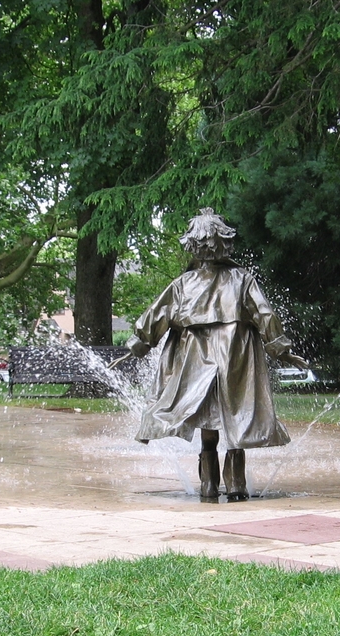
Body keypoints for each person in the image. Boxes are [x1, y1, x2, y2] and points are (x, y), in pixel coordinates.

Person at [125, 208, 309, 499]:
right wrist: (280, 348)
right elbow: (264, 314)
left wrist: (138, 344)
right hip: (235, 356)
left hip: (196, 359)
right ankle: (235, 485)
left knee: (207, 416)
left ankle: (209, 485)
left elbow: (155, 316)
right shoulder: (241, 279)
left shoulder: (183, 284)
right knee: (235, 414)